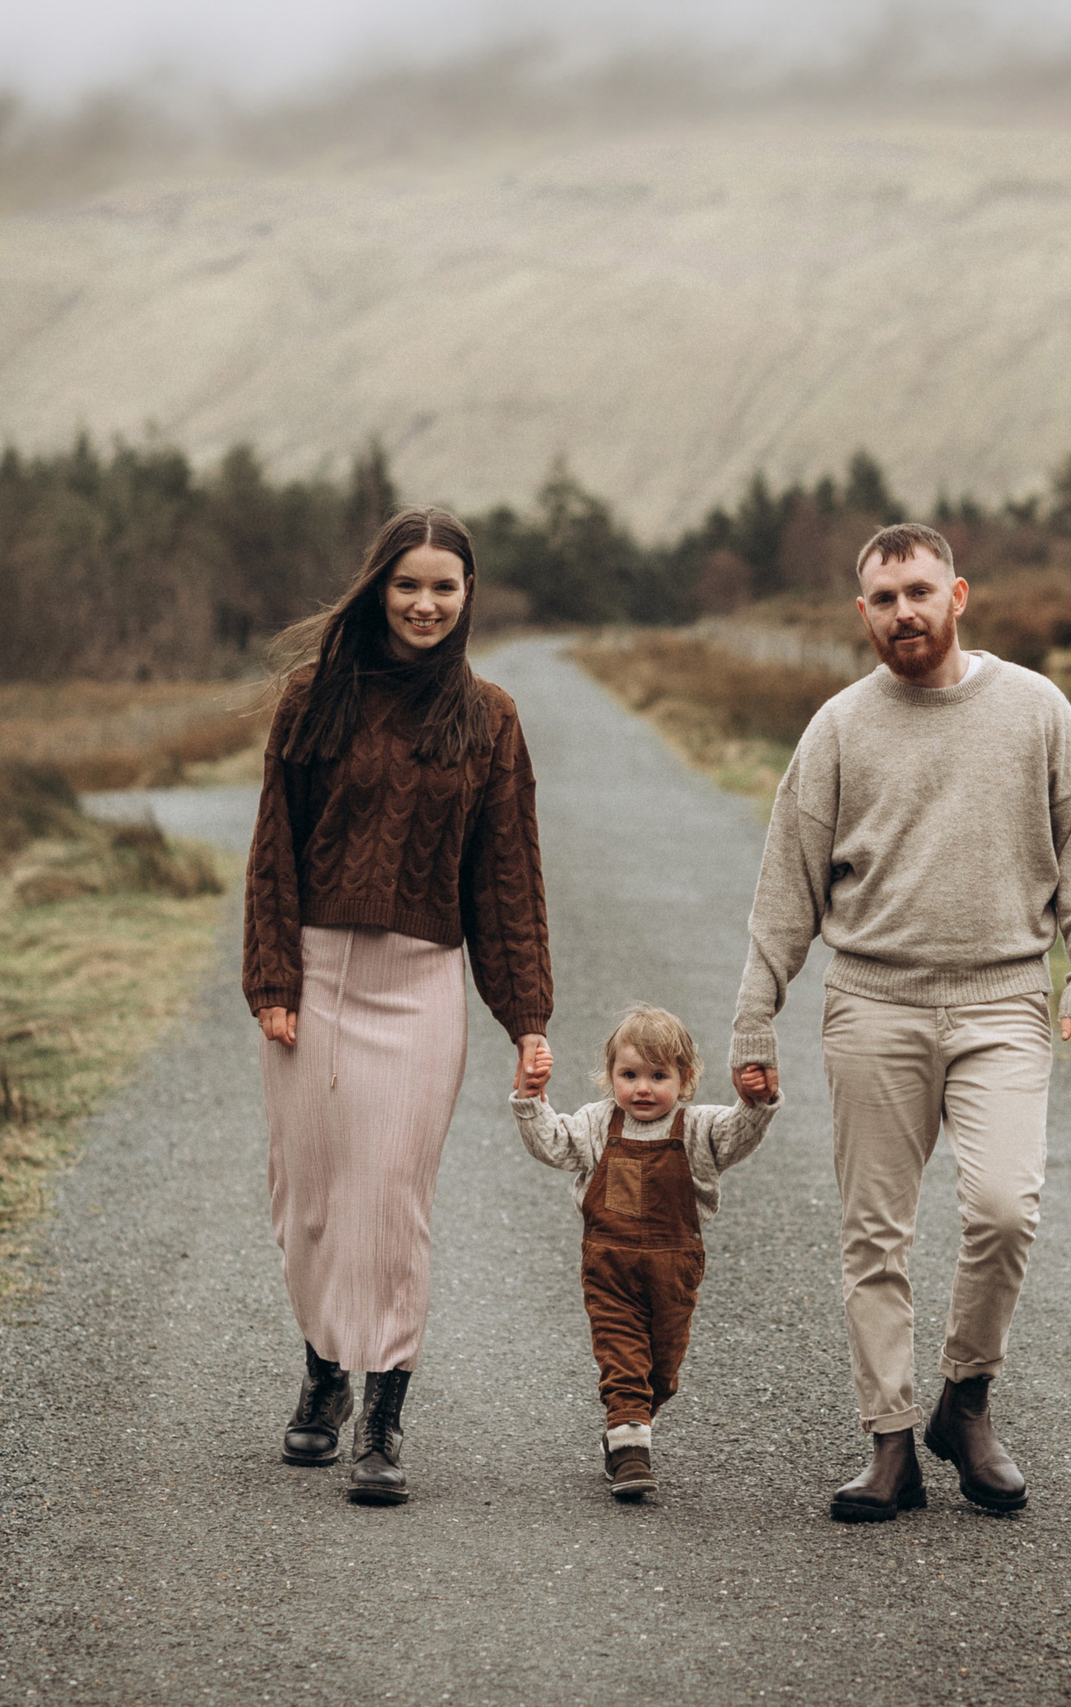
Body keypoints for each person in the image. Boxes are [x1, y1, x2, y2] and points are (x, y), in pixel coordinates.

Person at [730, 521, 1071, 1523]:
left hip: (1003, 998)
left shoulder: (1035, 710)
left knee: (1001, 1209)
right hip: (873, 1003)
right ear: (862, 614)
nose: (904, 611)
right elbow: (784, 888)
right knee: (875, 1234)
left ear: (958, 596)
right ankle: (889, 1440)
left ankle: (966, 1399)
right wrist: (753, 1022)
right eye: (884, 598)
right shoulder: (838, 729)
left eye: (919, 591)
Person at [243, 505, 552, 1507]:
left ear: (466, 600)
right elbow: (272, 852)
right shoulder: (310, 703)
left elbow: (508, 881)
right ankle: (324, 1368)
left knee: (393, 1202)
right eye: (408, 583)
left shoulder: (490, 718)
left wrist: (528, 1017)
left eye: (444, 588)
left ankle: (383, 1414)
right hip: (316, 980)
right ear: (379, 586)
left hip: (422, 987)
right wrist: (274, 982)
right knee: (312, 1206)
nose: (425, 603)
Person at [512, 1005, 779, 1500]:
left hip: (674, 1268)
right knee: (622, 1356)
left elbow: (739, 1135)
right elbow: (553, 1144)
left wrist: (755, 1104)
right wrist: (532, 1101)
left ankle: (626, 1427)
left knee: (663, 1369)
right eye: (629, 1074)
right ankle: (632, 1447)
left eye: (659, 1076)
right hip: (609, 1266)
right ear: (609, 1076)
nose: (643, 1088)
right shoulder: (596, 1123)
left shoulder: (699, 1128)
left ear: (686, 1079)